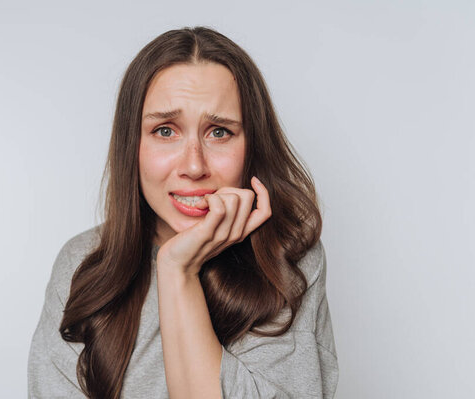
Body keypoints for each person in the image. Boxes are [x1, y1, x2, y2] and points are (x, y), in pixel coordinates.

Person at [28, 26, 338, 399]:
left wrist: (179, 270)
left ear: (251, 145)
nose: (194, 166)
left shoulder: (286, 258)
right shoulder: (83, 262)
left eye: (219, 132)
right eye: (165, 131)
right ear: (133, 146)